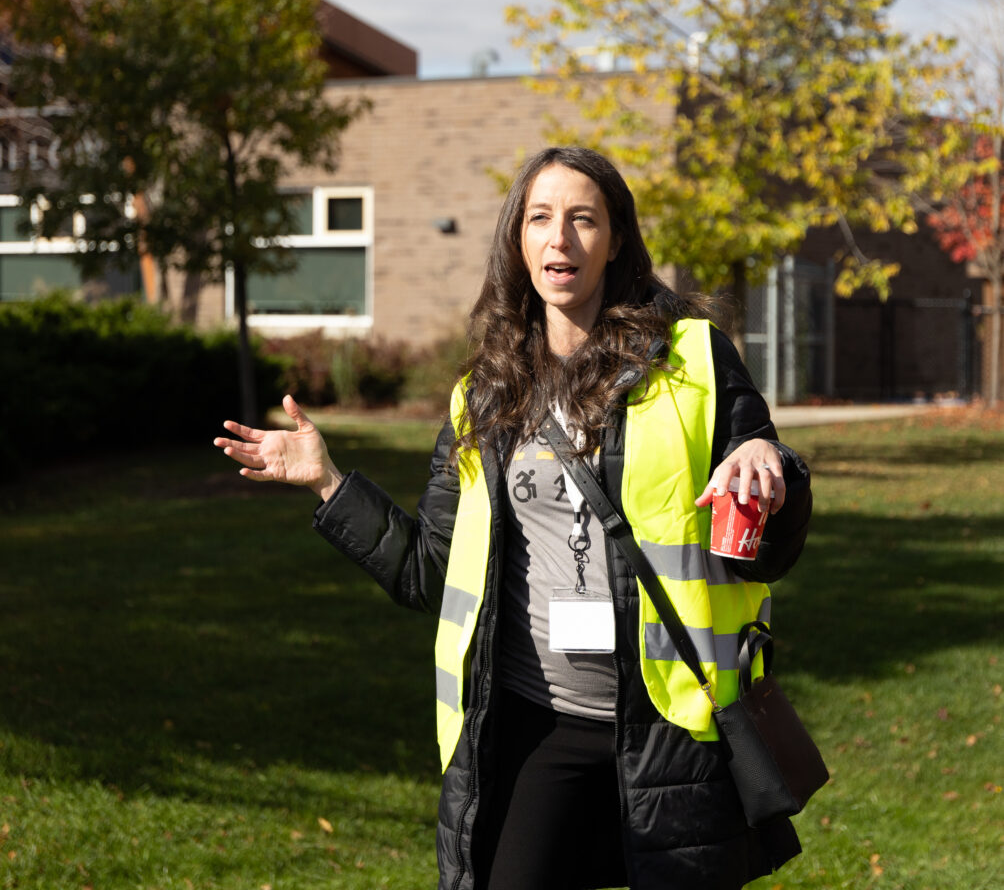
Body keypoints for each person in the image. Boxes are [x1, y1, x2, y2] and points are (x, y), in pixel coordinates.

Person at [214, 146, 813, 890]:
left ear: (615, 240)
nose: (559, 238)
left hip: (674, 725)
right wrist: (329, 483)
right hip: (535, 721)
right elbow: (429, 571)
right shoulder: (486, 394)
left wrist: (772, 469)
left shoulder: (691, 357)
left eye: (582, 219)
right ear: (518, 240)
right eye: (540, 218)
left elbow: (769, 538)